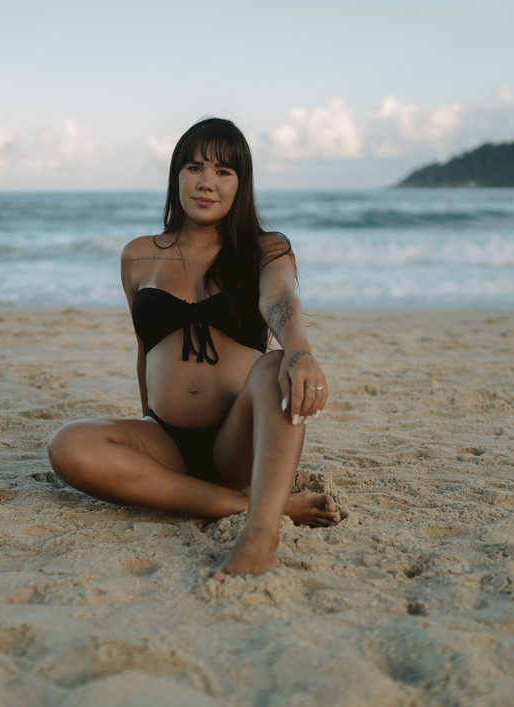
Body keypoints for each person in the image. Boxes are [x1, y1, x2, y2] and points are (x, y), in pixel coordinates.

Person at [47, 117, 338, 577]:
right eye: (194, 167)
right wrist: (145, 420)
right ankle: (269, 504)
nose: (206, 183)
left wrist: (299, 346)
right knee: (68, 444)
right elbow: (145, 349)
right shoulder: (138, 254)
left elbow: (280, 296)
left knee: (275, 365)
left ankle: (261, 534)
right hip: (166, 441)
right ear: (175, 175)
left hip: (236, 439)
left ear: (241, 184)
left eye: (223, 171)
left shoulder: (265, 248)